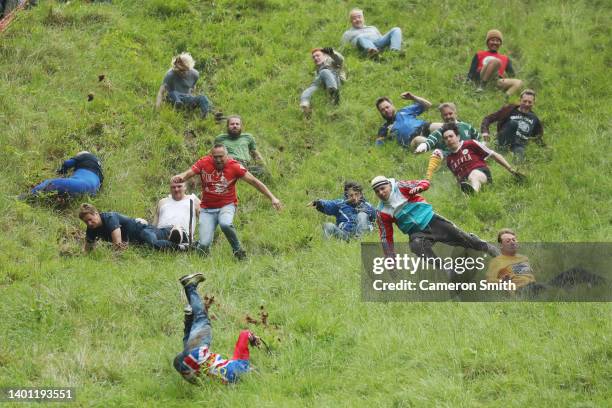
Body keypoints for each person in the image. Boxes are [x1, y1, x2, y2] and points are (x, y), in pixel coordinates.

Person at [171, 144, 282, 259]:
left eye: (221, 156)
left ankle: (238, 251)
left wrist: (272, 198)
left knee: (225, 223)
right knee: (204, 245)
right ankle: (200, 254)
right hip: (207, 209)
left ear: (227, 156)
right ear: (211, 156)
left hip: (227, 205)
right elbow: (189, 173)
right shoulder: (204, 163)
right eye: (215, 157)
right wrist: (181, 176)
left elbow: (254, 181)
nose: (218, 160)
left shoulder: (234, 166)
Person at [371, 176, 499, 261]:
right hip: (416, 233)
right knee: (416, 247)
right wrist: (390, 257)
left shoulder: (401, 187)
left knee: (465, 240)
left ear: (389, 185)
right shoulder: (381, 212)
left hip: (434, 221)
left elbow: (424, 182)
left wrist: (420, 187)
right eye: (377, 191)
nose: (381, 193)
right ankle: (446, 269)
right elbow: (386, 237)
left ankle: (488, 248)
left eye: (383, 188)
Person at [173, 273, 262, 384]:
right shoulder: (230, 384)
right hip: (187, 366)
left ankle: (190, 286)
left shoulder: (242, 365)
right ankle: (189, 318)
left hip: (198, 356)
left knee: (202, 319)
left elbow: (244, 334)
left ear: (251, 370)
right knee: (188, 352)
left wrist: (252, 338)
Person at [487, 229, 605, 295]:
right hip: (522, 291)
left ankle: (603, 283)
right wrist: (502, 282)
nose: (512, 242)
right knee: (556, 287)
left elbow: (529, 275)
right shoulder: (497, 262)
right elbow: (489, 282)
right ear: (501, 245)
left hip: (537, 286)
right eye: (508, 241)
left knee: (575, 271)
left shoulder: (523, 258)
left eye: (514, 240)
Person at [441, 122, 523, 193]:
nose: (448, 139)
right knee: (465, 184)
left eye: (451, 136)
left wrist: (511, 170)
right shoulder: (449, 159)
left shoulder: (470, 144)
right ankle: (469, 193)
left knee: (474, 174)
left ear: (458, 137)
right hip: (465, 182)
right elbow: (457, 178)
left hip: (481, 174)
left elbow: (493, 155)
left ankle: (473, 192)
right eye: (445, 138)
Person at [79, 203, 188, 252]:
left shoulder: (109, 218)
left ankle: (185, 246)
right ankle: (175, 238)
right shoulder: (91, 229)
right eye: (86, 222)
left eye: (90, 219)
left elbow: (118, 245)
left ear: (96, 213)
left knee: (153, 244)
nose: (89, 223)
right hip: (138, 242)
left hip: (144, 230)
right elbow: (88, 250)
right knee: (150, 248)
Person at [414, 103, 481, 180]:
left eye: (450, 113)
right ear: (442, 116)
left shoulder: (466, 126)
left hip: (468, 156)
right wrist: (424, 146)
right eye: (445, 115)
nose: (448, 116)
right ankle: (428, 178)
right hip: (451, 156)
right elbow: (431, 139)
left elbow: (479, 138)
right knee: (437, 152)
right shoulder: (441, 130)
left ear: (455, 113)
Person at [480, 89, 544, 162]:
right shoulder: (510, 109)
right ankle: (500, 151)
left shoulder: (534, 118)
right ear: (520, 100)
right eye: (524, 101)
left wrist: (544, 147)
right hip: (504, 139)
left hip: (519, 144)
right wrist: (485, 132)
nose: (526, 104)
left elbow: (538, 137)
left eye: (530, 102)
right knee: (514, 123)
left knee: (519, 159)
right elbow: (488, 119)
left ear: (534, 103)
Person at [310, 181, 376, 241]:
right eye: (351, 195)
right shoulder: (340, 204)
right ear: (346, 195)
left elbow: (377, 220)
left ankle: (359, 241)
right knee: (328, 225)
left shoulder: (368, 206)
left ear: (361, 194)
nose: (354, 198)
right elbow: (329, 204)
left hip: (363, 236)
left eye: (356, 194)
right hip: (345, 235)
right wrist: (318, 203)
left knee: (362, 215)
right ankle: (325, 248)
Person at [155, 52, 212, 118]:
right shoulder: (170, 75)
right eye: (179, 70)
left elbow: (192, 87)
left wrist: (192, 98)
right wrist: (157, 109)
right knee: (173, 93)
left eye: (183, 70)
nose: (181, 72)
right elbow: (161, 92)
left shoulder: (195, 74)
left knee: (203, 98)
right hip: (173, 98)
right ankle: (178, 105)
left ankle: (206, 114)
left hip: (186, 98)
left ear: (189, 69)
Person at [467, 29, 523, 96]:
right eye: (492, 40)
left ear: (500, 43)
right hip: (481, 77)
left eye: (497, 41)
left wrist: (504, 78)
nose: (495, 43)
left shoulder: (505, 58)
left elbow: (512, 75)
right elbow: (471, 72)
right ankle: (482, 86)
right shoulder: (479, 54)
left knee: (519, 82)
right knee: (496, 61)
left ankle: (504, 98)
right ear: (487, 42)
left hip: (496, 81)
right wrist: (468, 84)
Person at [25, 151, 103, 198]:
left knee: (50, 183)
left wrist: (62, 171)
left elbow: (67, 163)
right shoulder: (99, 168)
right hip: (92, 192)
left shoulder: (85, 156)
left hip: (81, 184)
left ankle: (26, 196)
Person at [375, 92, 441, 147]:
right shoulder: (384, 128)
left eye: (387, 107)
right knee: (419, 140)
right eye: (382, 110)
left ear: (392, 105)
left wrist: (413, 97)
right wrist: (387, 136)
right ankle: (443, 147)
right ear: (380, 113)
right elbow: (378, 145)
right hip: (413, 139)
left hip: (424, 127)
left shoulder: (404, 111)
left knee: (438, 126)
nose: (386, 110)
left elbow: (428, 105)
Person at [300, 47, 345, 117]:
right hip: (321, 83)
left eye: (318, 55)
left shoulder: (330, 61)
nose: (315, 58)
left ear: (325, 55)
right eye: (313, 57)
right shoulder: (317, 69)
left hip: (335, 79)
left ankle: (333, 94)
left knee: (324, 71)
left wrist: (331, 53)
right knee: (308, 89)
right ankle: (305, 105)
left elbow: (340, 60)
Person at [152, 179, 200, 244]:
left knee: (177, 229)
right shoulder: (162, 202)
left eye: (179, 186)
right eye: (173, 187)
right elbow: (154, 224)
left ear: (185, 187)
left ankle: (174, 242)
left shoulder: (193, 200)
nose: (176, 189)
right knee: (138, 223)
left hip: (183, 234)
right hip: (162, 232)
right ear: (170, 189)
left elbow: (204, 221)